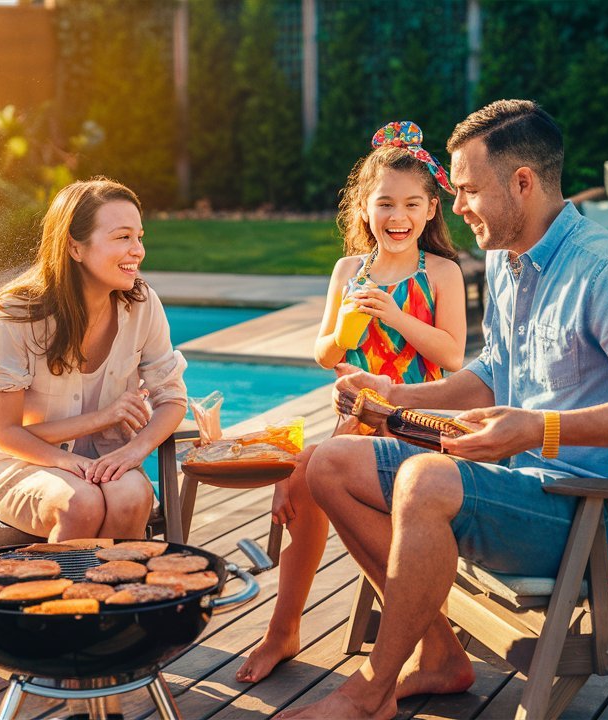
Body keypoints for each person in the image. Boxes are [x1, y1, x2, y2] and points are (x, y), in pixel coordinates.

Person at [275, 100, 608, 719]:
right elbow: (496, 368)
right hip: (523, 490)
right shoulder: (508, 260)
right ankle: (442, 656)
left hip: (597, 515)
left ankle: (369, 692)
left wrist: (540, 428)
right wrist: (397, 396)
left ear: (522, 182)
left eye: (469, 189)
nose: (456, 206)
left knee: (424, 478)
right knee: (331, 463)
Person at [236, 121, 467, 684]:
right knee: (297, 478)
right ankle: (284, 628)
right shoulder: (349, 271)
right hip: (356, 425)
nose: (398, 216)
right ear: (364, 209)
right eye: (384, 203)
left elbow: (454, 355)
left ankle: (417, 636)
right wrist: (343, 334)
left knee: (309, 475)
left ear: (432, 209)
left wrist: (395, 316)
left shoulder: (440, 272)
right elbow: (324, 352)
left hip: (417, 424)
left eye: (412, 204)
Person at [0, 177, 188, 541]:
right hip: (20, 463)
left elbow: (171, 397)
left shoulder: (142, 304)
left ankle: (118, 597)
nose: (137, 250)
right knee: (81, 503)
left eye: (139, 237)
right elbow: (7, 433)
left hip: (107, 459)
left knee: (132, 496)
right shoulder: (17, 312)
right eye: (123, 237)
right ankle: (66, 597)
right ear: (75, 247)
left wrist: (134, 452)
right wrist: (100, 422)